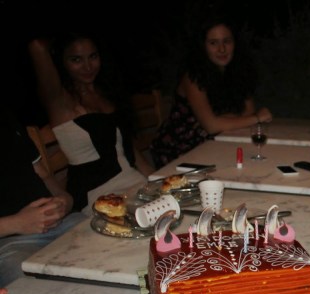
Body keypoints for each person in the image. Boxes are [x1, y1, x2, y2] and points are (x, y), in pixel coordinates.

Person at [28, 31, 152, 215]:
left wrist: (156, 179)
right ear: (61, 61)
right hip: (98, 196)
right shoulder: (60, 101)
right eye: (76, 60)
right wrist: (58, 39)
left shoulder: (106, 92)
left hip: (134, 184)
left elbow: (129, 149)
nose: (87, 67)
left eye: (93, 57)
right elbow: (36, 47)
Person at [150, 14, 273, 168]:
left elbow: (246, 112)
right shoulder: (193, 76)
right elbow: (212, 126)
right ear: (203, 46)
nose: (222, 49)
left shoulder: (239, 70)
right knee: (246, 163)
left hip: (215, 144)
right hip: (180, 150)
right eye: (213, 43)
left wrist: (228, 120)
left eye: (226, 41)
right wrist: (257, 118)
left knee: (258, 160)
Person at [0, 105, 85, 287]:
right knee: (35, 286)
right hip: (10, 243)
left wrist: (64, 199)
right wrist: (17, 223)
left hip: (62, 223)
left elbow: (44, 175)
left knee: (118, 244)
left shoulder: (6, 117)